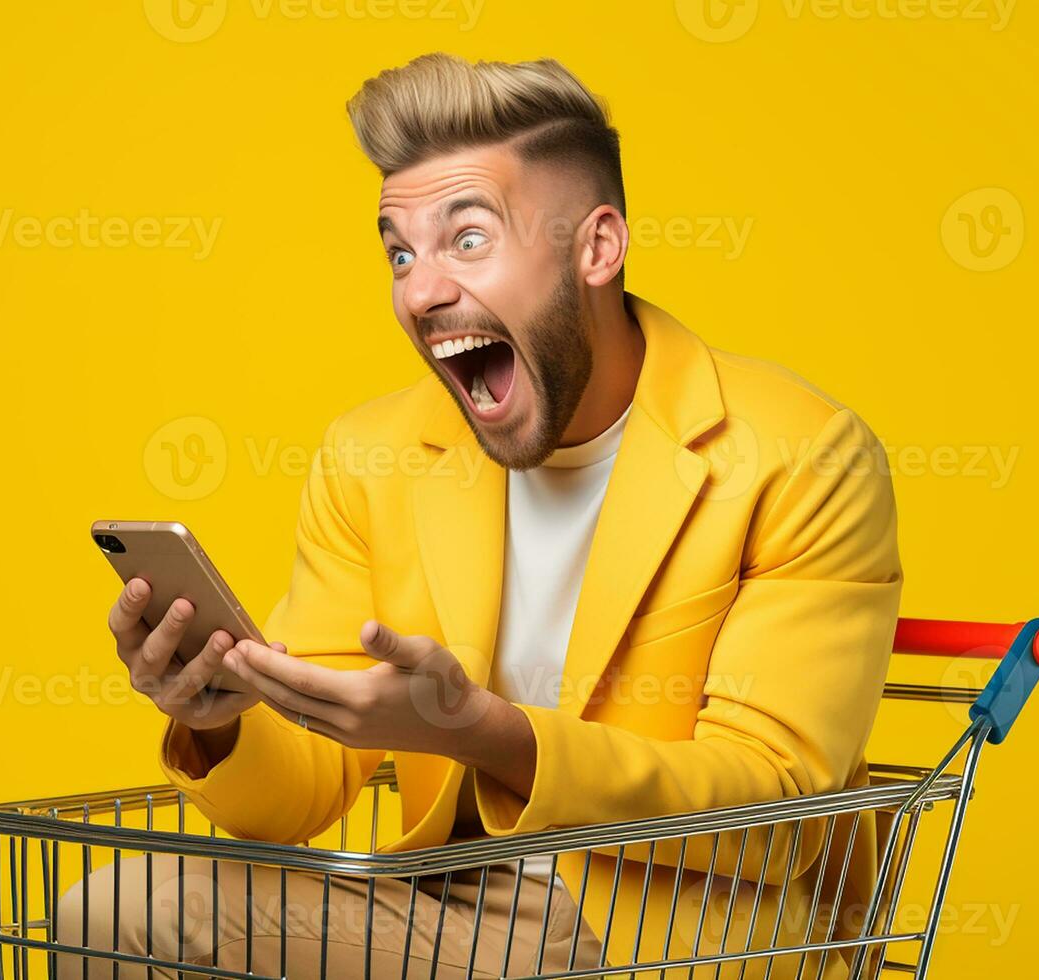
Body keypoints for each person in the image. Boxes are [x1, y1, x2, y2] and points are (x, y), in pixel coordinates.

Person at [58, 52, 902, 980]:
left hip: (664, 929)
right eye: (400, 253)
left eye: (467, 239)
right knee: (108, 911)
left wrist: (481, 732)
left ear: (597, 248)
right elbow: (302, 790)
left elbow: (773, 817)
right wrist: (219, 718)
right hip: (443, 898)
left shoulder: (802, 455)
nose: (421, 291)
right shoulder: (372, 453)